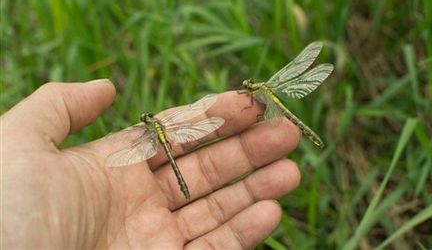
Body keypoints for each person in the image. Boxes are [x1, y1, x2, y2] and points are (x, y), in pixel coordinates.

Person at [1, 79, 301, 249]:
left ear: (148, 123)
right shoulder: (161, 128)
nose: (147, 120)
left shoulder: (144, 133)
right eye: (147, 120)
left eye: (147, 120)